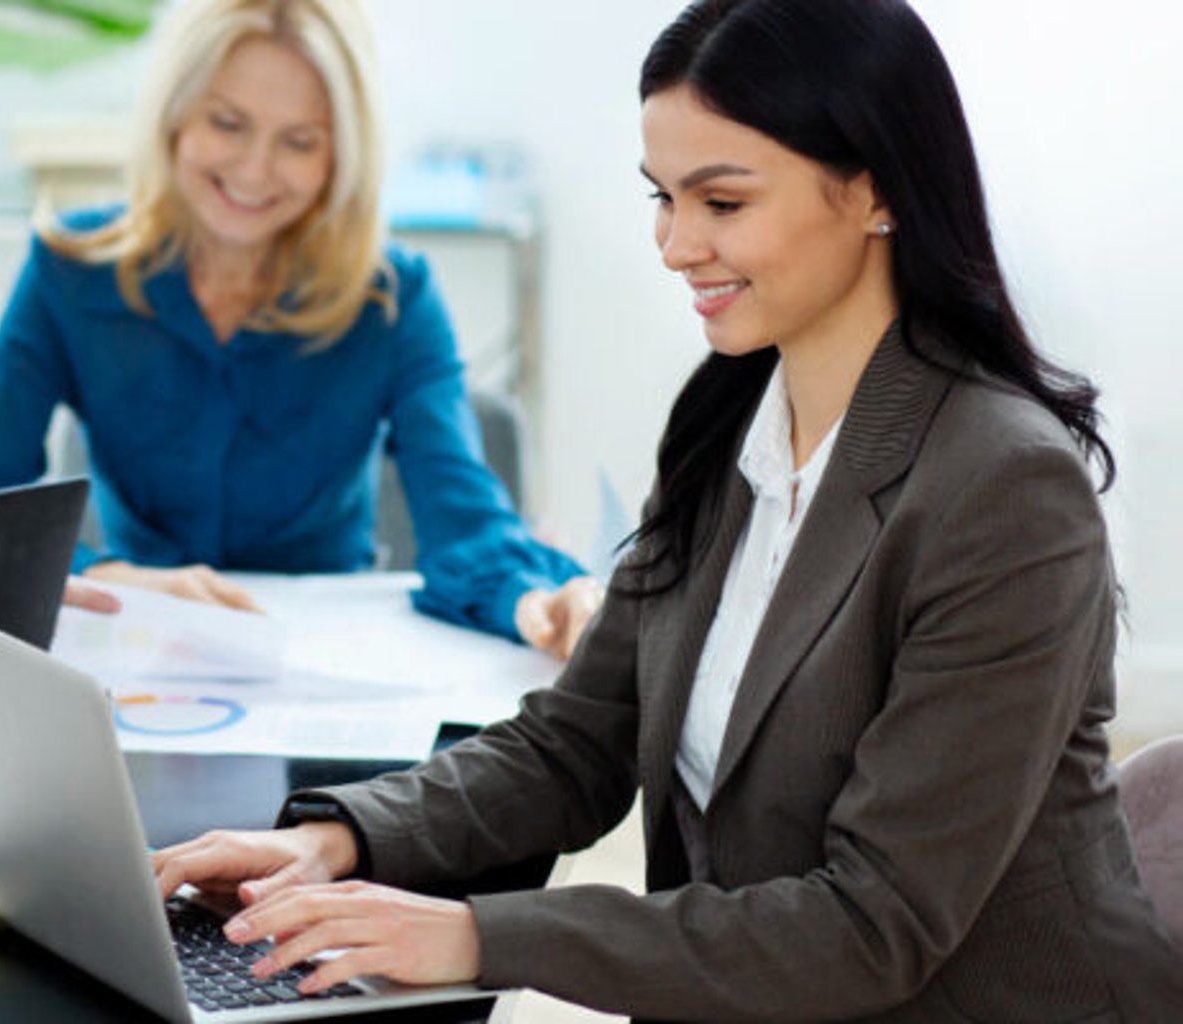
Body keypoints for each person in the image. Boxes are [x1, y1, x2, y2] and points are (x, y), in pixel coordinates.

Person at [149, 0, 1183, 1017]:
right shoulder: (731, 422)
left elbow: (876, 923)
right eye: (663, 196)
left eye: (722, 203)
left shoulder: (1006, 492)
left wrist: (477, 936)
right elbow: (579, 740)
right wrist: (332, 840)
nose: (676, 244)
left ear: (873, 192)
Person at [0, 0, 601, 655]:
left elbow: (466, 523)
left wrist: (531, 599)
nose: (253, 170)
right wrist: (112, 576)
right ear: (175, 118)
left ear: (340, 156)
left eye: (299, 142)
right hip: (135, 657)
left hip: (328, 667)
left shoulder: (394, 297)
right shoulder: (71, 270)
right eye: (227, 124)